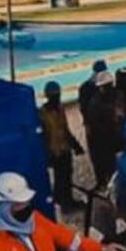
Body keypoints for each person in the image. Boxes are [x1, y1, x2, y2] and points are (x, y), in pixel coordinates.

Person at [39, 81, 84, 212]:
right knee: (61, 177)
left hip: (64, 148)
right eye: (54, 96)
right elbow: (43, 137)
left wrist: (75, 145)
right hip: (54, 151)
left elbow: (65, 129)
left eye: (57, 95)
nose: (56, 98)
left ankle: (64, 199)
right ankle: (64, 203)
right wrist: (47, 154)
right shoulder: (42, 114)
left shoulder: (60, 109)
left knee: (67, 175)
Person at [85, 70, 123, 190]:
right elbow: (95, 127)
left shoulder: (117, 96)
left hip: (113, 140)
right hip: (101, 142)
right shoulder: (95, 104)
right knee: (104, 166)